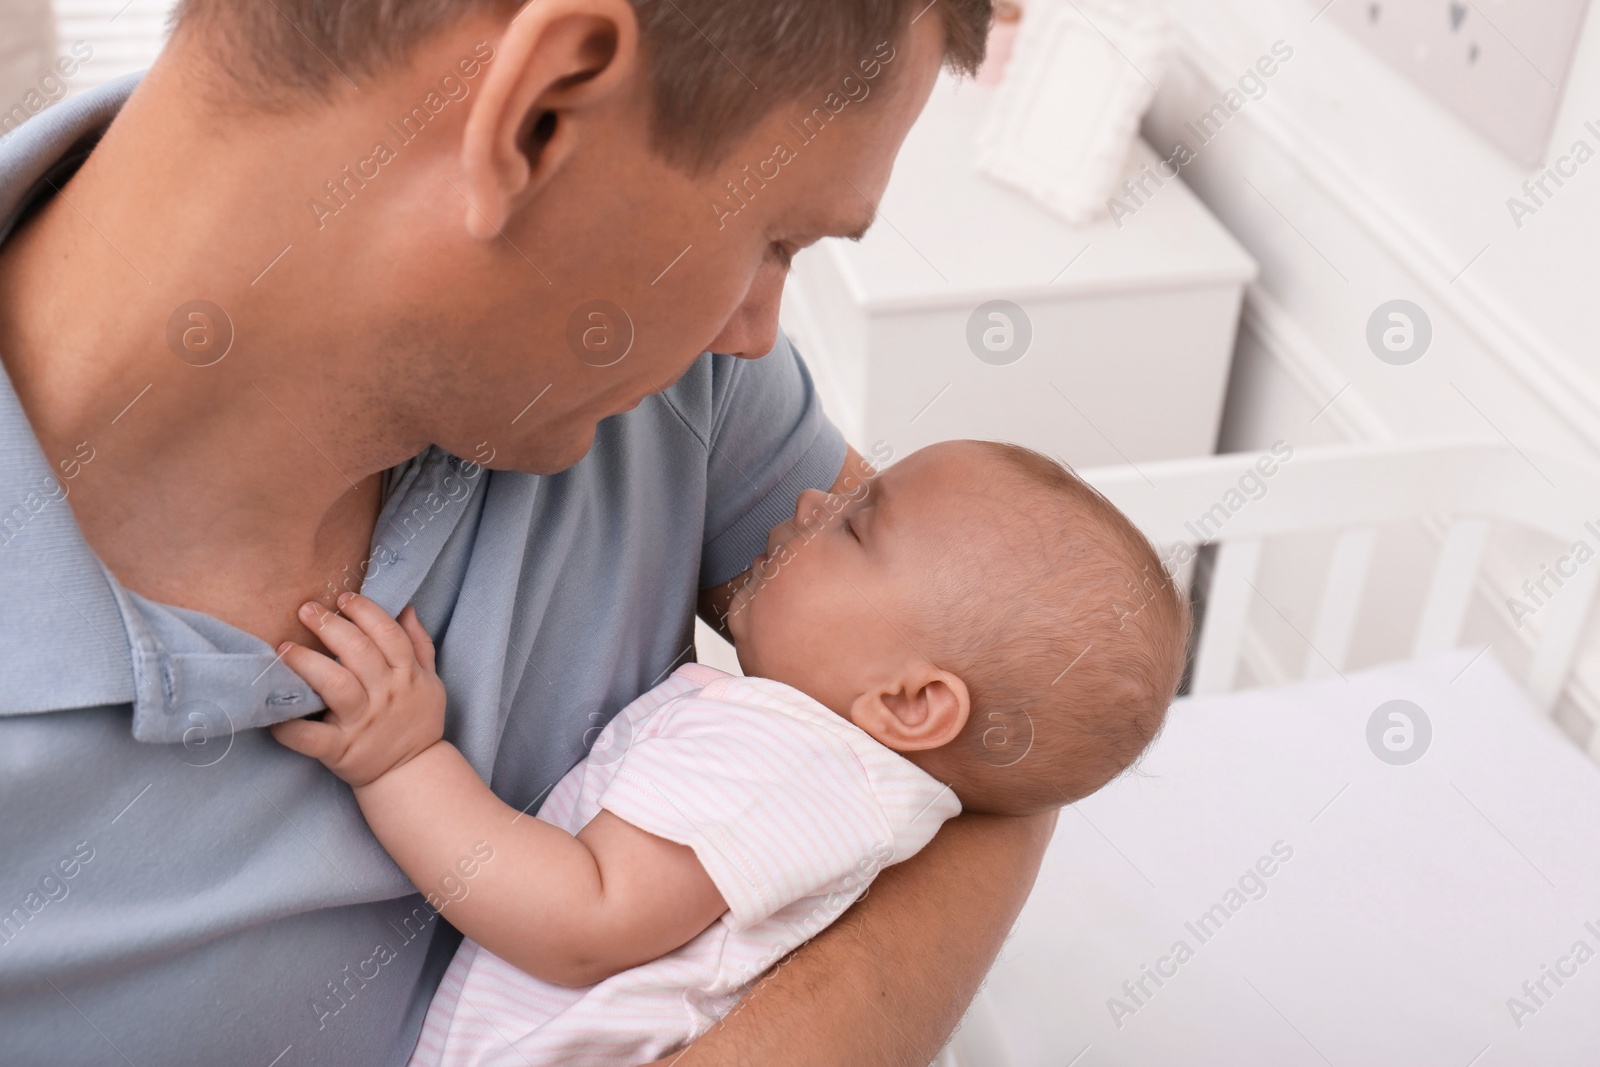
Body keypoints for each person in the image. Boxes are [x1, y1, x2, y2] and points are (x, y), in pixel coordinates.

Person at [0, 1, 1058, 1063]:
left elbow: (1012, 713)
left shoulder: (666, 391)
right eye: (774, 237)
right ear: (540, 114)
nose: (754, 331)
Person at [268, 439, 1189, 1067]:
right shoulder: (845, 774)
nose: (812, 495)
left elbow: (582, 920)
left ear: (911, 703)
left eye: (857, 522)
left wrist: (401, 760)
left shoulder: (780, 758)